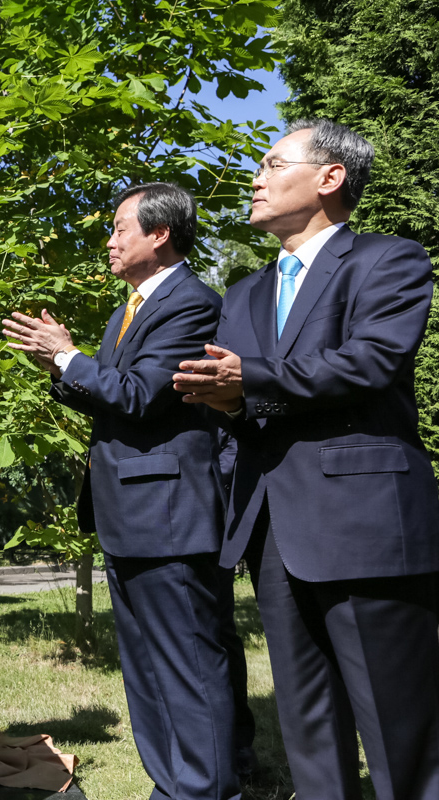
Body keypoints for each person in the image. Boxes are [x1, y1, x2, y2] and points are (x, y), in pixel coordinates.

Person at [174, 119, 439, 799]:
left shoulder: (390, 261)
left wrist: (251, 381)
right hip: (271, 528)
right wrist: (224, 401)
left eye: (271, 163)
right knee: (308, 731)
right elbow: (235, 396)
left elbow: (370, 362)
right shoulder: (244, 293)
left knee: (401, 737)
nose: (254, 179)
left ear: (330, 177)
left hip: (365, 524)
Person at [4, 183, 240, 800]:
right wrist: (58, 368)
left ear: (159, 235)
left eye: (118, 229)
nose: (108, 241)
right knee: (146, 671)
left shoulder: (191, 304)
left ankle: (208, 790)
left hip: (170, 515)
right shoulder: (127, 309)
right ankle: (172, 786)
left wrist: (70, 356)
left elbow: (140, 396)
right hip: (128, 513)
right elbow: (112, 398)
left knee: (187, 666)